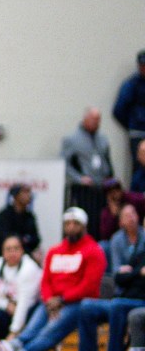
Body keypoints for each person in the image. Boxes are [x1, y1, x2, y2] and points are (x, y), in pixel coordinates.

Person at [0, 207, 107, 351]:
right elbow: (45, 280)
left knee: (50, 331)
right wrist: (48, 299)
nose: (70, 227)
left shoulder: (94, 251)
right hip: (50, 301)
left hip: (77, 303)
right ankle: (11, 347)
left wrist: (62, 300)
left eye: (75, 223)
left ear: (84, 226)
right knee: (32, 328)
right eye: (67, 223)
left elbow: (89, 286)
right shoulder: (55, 251)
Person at [74, 205, 145, 351]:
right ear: (120, 222)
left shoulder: (140, 245)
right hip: (124, 296)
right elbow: (119, 277)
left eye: (133, 214)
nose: (131, 219)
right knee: (86, 306)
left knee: (117, 306)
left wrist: (131, 274)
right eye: (126, 215)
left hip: (136, 300)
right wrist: (138, 273)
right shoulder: (138, 252)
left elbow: (127, 275)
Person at [61, 107, 114, 230]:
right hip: (84, 191)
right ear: (85, 119)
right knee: (87, 222)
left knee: (102, 222)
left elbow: (107, 161)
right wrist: (79, 179)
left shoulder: (103, 139)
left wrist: (110, 179)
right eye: (93, 119)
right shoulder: (72, 140)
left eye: (98, 119)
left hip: (102, 188)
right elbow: (64, 164)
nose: (96, 122)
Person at [0, 235, 42, 340]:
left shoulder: (29, 268)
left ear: (22, 250)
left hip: (30, 307)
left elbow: (24, 303)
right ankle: (2, 349)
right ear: (3, 252)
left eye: (16, 248)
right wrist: (6, 305)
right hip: (9, 306)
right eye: (8, 249)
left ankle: (16, 348)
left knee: (29, 318)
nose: (12, 253)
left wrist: (13, 332)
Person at [112, 49, 145, 179]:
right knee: (138, 167)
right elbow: (119, 109)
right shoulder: (131, 84)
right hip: (137, 133)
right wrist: (132, 125)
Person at [0, 183, 41, 259]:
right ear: (16, 196)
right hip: (5, 258)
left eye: (29, 192)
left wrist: (24, 241)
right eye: (25, 192)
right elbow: (4, 237)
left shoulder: (30, 216)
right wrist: (23, 240)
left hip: (25, 259)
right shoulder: (4, 215)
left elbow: (36, 240)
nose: (29, 196)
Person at [98, 178, 145, 242]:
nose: (115, 194)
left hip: (138, 233)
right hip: (119, 240)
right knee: (103, 245)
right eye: (111, 192)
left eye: (117, 190)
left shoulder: (132, 199)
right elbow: (105, 236)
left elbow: (142, 199)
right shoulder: (106, 212)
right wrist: (113, 216)